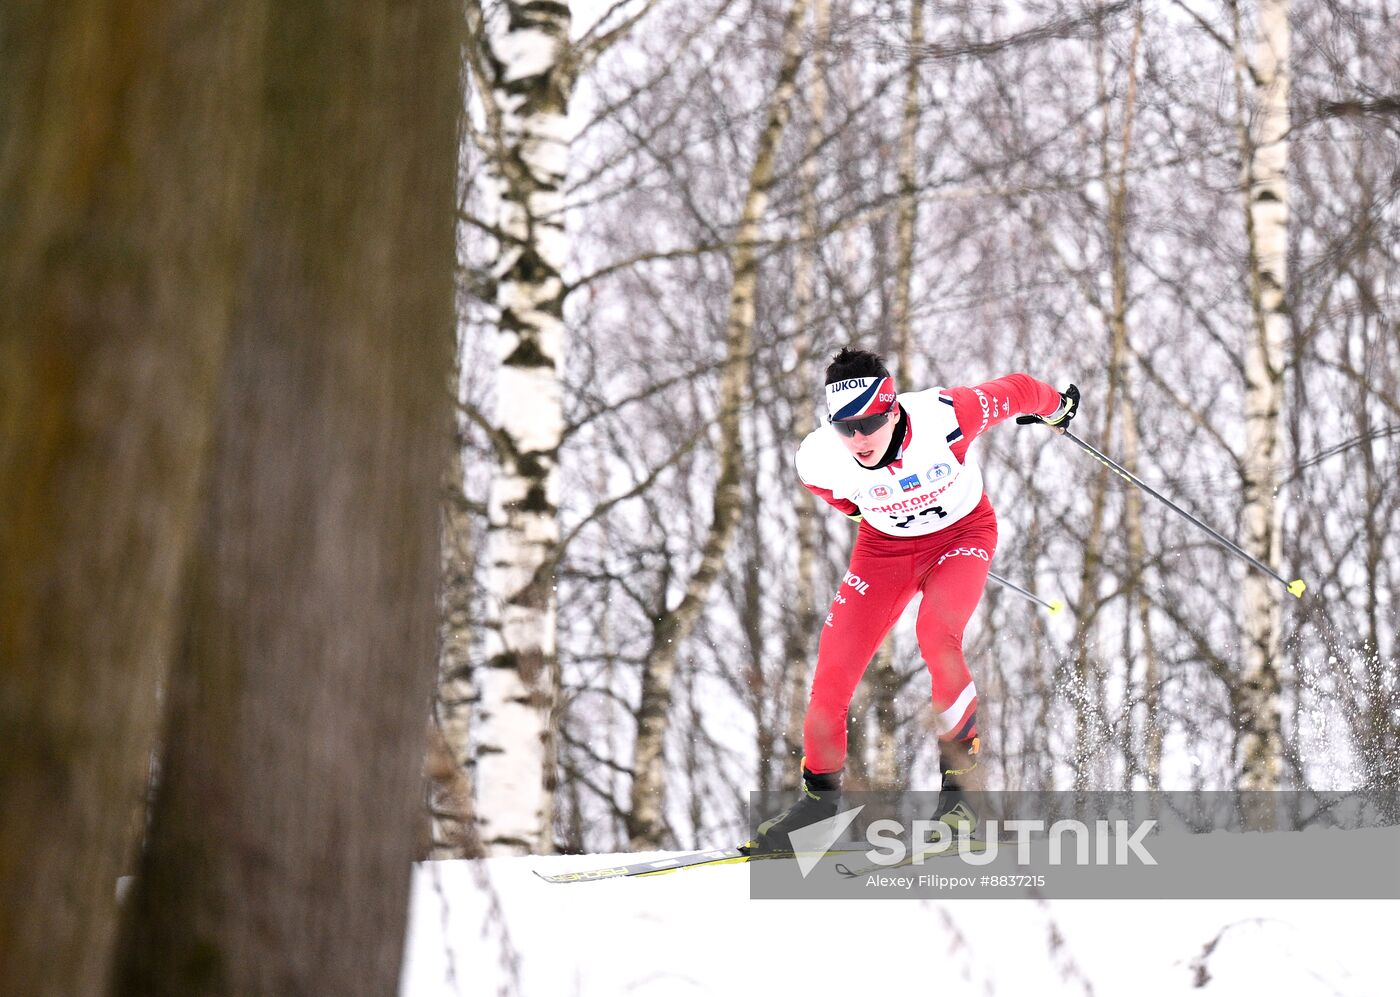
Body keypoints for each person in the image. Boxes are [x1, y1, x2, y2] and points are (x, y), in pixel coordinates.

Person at [743, 347, 1078, 853]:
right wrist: (874, 512)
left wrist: (1056, 408)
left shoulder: (945, 416)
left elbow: (1018, 390)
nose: (858, 439)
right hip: (884, 553)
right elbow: (841, 497)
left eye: (870, 422)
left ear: (892, 407)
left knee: (936, 638)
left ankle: (961, 798)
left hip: (962, 536)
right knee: (833, 671)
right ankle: (817, 807)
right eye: (845, 427)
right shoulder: (817, 457)